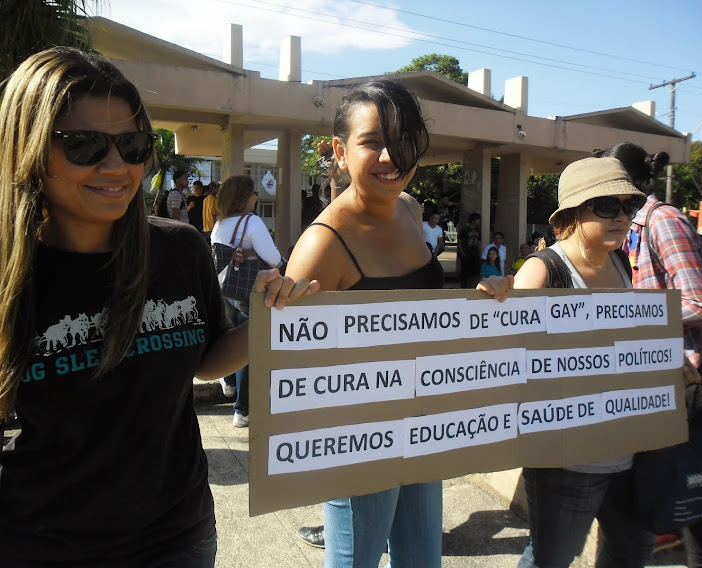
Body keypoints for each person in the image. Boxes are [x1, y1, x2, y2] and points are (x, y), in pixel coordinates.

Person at [0, 47, 317, 567]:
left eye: (132, 144)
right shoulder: (13, 273)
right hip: (40, 545)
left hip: (176, 537)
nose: (115, 166)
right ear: (28, 148)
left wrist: (267, 318)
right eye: (83, 144)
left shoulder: (178, 249)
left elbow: (205, 361)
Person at [286, 79, 510, 568]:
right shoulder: (323, 244)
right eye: (373, 142)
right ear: (340, 153)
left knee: (422, 558)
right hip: (359, 442)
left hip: (424, 423)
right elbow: (292, 373)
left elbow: (425, 315)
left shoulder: (410, 211)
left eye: (404, 140)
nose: (392, 155)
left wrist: (481, 303)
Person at [513, 157, 657, 568]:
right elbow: (513, 363)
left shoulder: (619, 262)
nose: (623, 217)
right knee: (550, 559)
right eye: (607, 206)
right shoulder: (544, 271)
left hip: (630, 449)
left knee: (630, 552)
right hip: (567, 463)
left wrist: (665, 365)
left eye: (628, 207)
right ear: (574, 213)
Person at [595, 142, 702, 568]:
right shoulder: (629, 225)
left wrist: (637, 323)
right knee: (672, 469)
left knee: (687, 472)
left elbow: (699, 303)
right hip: (666, 361)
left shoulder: (663, 221)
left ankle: (699, 561)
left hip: (698, 363)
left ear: (634, 180)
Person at [211, 175, 285, 428]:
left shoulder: (220, 223)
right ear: (244, 196)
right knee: (247, 349)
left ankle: (229, 381)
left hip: (225, 288)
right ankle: (242, 411)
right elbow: (273, 259)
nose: (256, 197)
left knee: (228, 337)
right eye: (253, 193)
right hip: (247, 291)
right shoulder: (251, 221)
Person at [457, 212, 482, 288]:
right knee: (464, 272)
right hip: (466, 253)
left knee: (475, 271)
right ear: (473, 220)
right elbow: (460, 242)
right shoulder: (465, 230)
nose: (478, 222)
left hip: (475, 253)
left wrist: (479, 253)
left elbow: (478, 242)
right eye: (477, 220)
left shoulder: (478, 231)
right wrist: (462, 253)